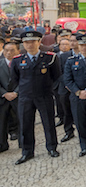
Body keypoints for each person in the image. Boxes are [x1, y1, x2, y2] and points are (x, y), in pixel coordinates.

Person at [11, 31, 61, 165]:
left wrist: (50, 91)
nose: (30, 44)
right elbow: (15, 80)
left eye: (33, 42)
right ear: (23, 44)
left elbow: (57, 77)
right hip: (25, 97)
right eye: (27, 42)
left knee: (48, 123)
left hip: (44, 96)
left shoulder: (49, 58)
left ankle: (51, 147)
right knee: (26, 125)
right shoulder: (17, 60)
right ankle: (27, 151)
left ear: (39, 42)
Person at [0, 42, 20, 153]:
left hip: (18, 96)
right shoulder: (0, 63)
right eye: (6, 50)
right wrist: (4, 93)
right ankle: (2, 144)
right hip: (3, 98)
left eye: (12, 50)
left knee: (22, 120)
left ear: (18, 51)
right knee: (2, 122)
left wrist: (16, 92)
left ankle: (24, 143)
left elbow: (25, 80)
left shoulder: (22, 63)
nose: (9, 53)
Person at [57, 38, 75, 142]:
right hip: (65, 88)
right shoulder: (63, 56)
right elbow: (58, 72)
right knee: (66, 111)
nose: (73, 43)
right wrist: (68, 83)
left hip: (79, 88)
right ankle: (68, 131)